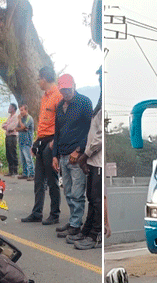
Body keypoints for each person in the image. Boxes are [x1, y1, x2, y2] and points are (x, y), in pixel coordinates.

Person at [52, 73, 93, 240]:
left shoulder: (84, 103)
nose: (66, 92)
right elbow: (57, 131)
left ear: (74, 85)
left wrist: (79, 150)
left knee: (77, 193)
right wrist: (54, 155)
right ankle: (73, 221)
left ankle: (76, 225)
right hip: (62, 154)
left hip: (76, 156)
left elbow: (90, 129)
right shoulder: (60, 105)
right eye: (63, 90)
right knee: (68, 192)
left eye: (68, 89)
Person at [22, 65, 62, 224]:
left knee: (52, 180)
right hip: (41, 140)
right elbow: (43, 122)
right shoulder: (44, 97)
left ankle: (55, 214)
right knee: (38, 180)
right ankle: (37, 212)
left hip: (52, 141)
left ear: (44, 79)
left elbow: (61, 122)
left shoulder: (58, 96)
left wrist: (55, 142)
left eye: (39, 79)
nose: (38, 82)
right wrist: (36, 142)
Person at [70, 72, 103, 250]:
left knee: (97, 200)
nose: (100, 81)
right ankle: (88, 229)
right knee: (91, 197)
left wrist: (85, 154)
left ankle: (96, 235)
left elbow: (101, 137)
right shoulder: (99, 102)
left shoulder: (103, 106)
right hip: (92, 160)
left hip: (98, 161)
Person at [16, 104, 35, 180]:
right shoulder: (22, 118)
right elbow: (17, 128)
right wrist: (22, 128)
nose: (21, 112)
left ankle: (32, 174)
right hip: (21, 141)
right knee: (22, 159)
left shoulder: (29, 118)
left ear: (26, 110)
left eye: (22, 110)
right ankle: (25, 173)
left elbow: (24, 127)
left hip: (27, 141)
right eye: (20, 110)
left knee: (28, 159)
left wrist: (20, 121)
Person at [1, 103, 19, 176]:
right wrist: (7, 127)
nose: (8, 108)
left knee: (12, 153)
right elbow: (3, 125)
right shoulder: (9, 117)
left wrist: (7, 127)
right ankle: (10, 170)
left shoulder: (16, 117)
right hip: (8, 136)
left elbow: (11, 127)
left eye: (10, 107)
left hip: (13, 137)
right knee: (8, 153)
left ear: (14, 108)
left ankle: (15, 170)